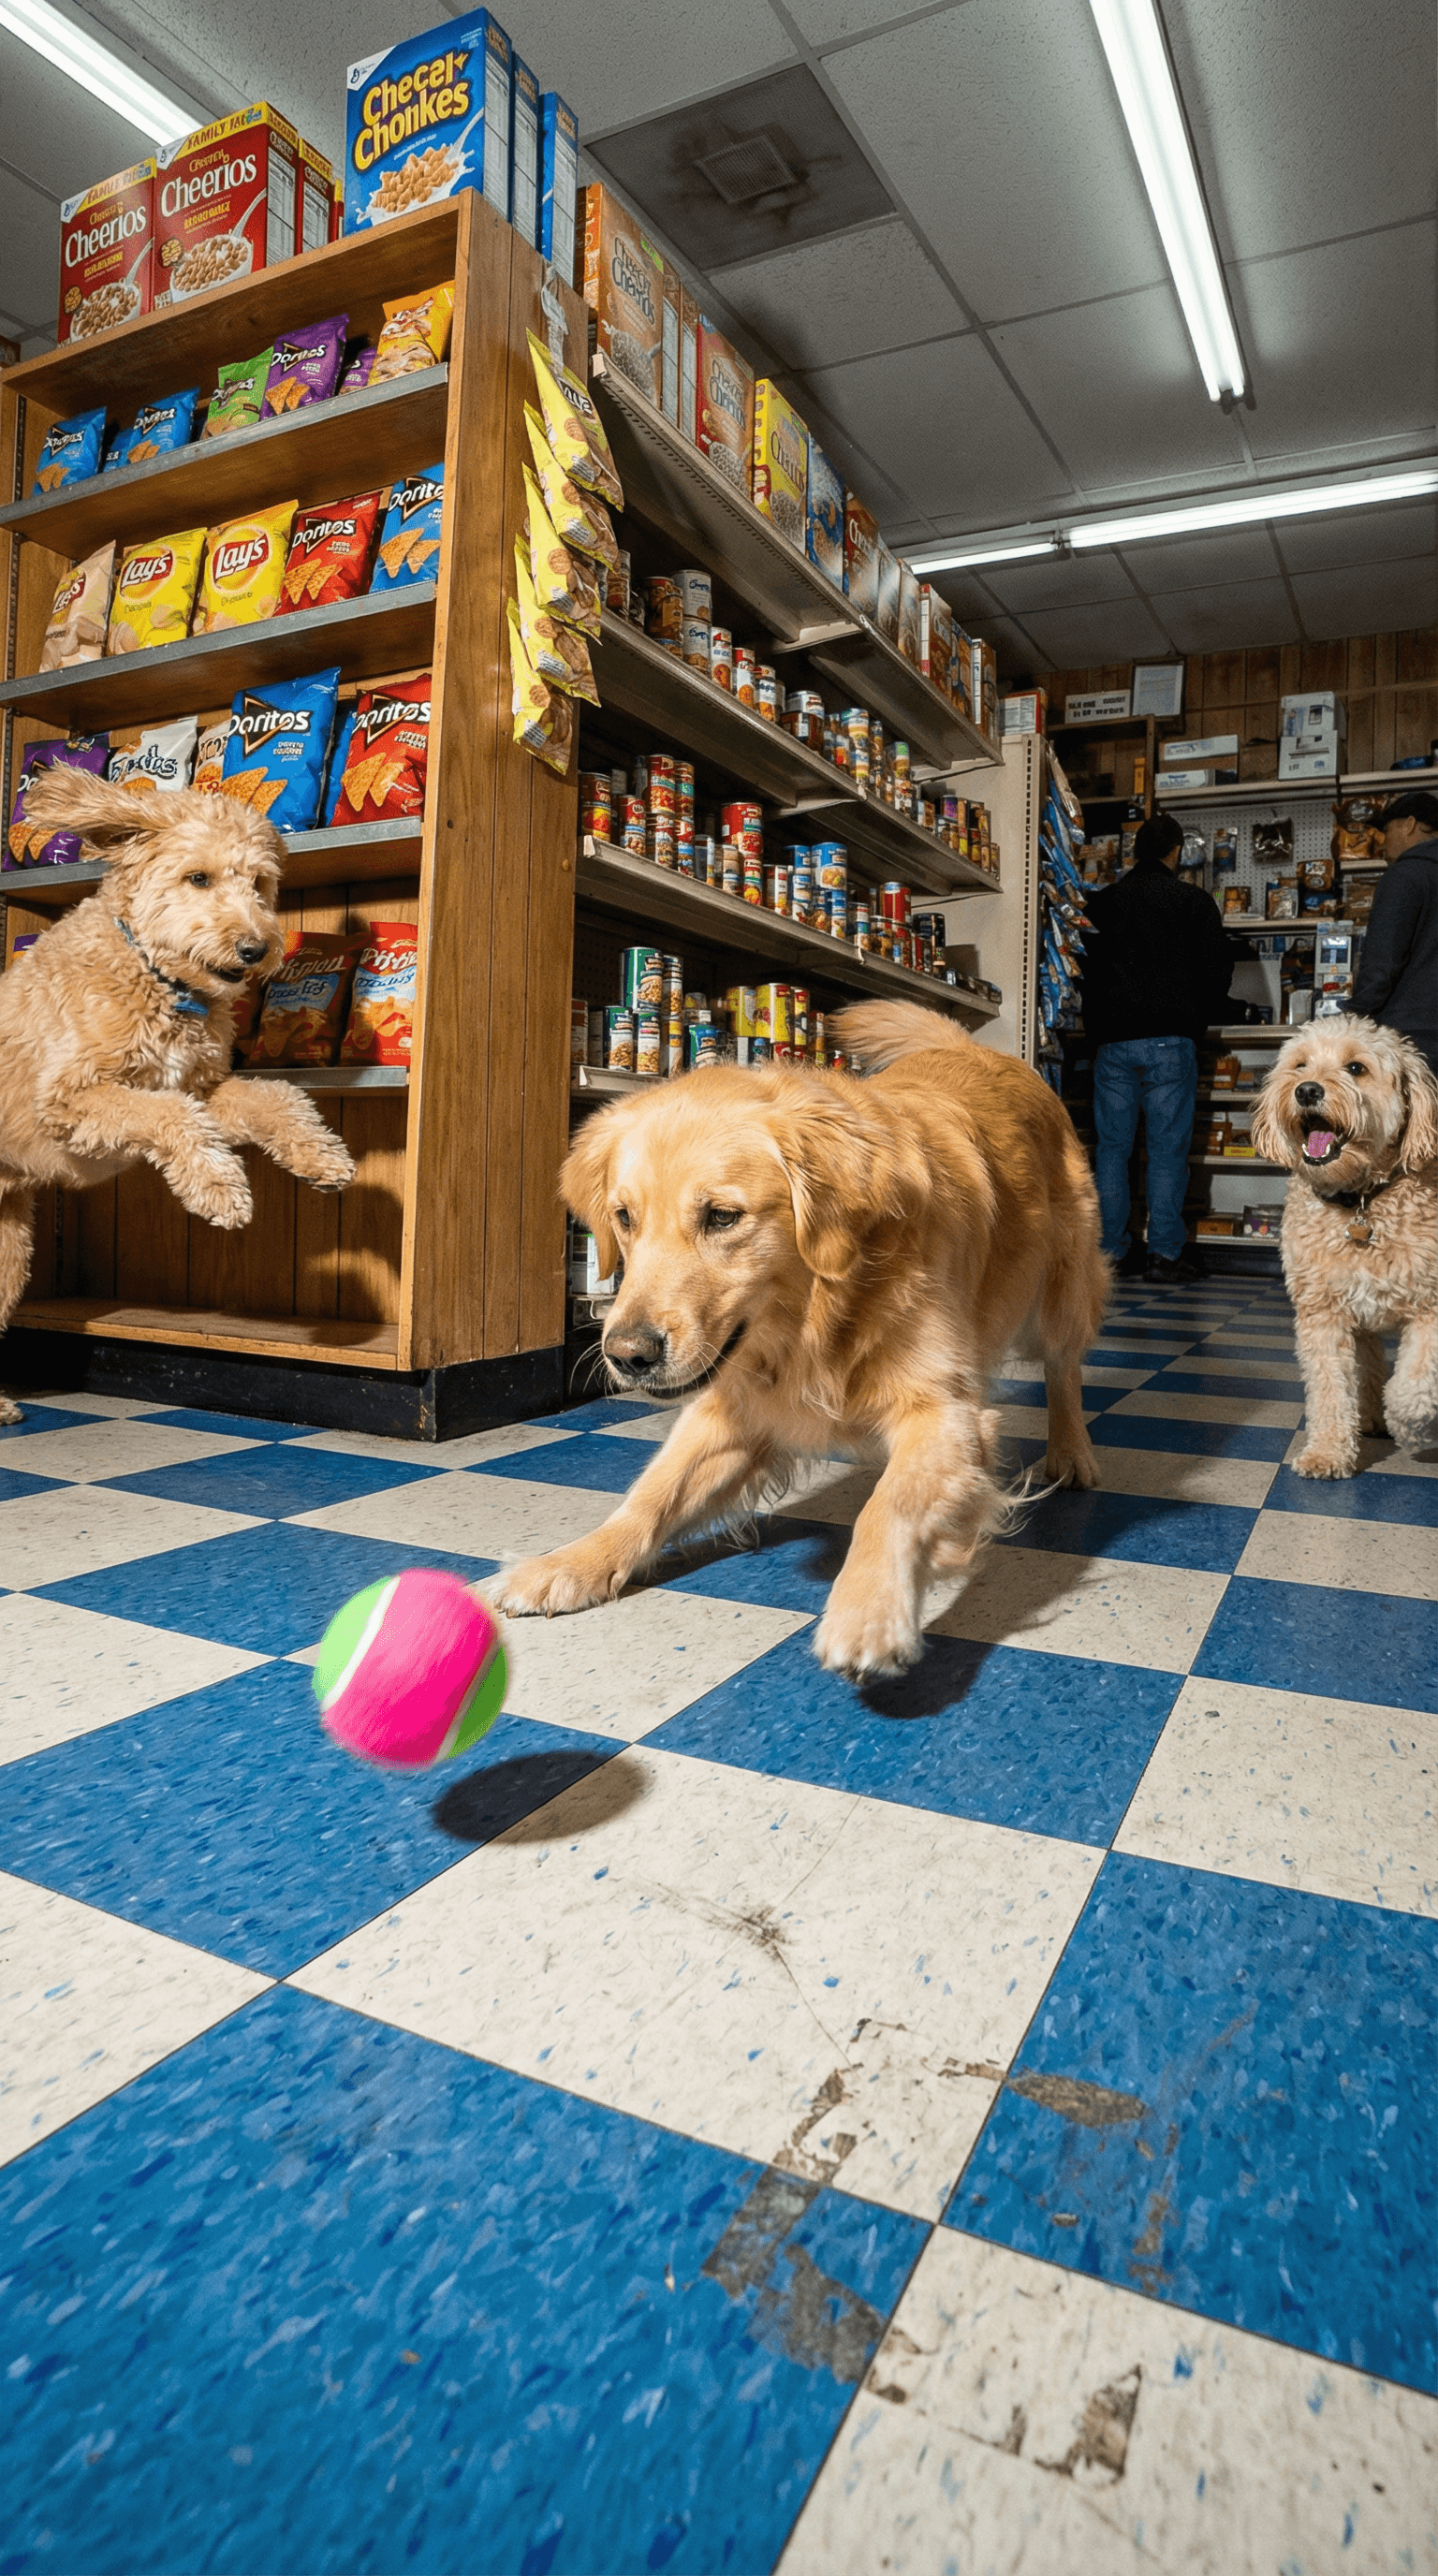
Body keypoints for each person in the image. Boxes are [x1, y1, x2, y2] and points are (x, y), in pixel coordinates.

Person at [1079, 812, 1233, 1284]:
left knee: (1112, 1150)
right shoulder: (1194, 902)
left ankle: (1111, 1253)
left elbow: (1083, 971)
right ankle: (1165, 1255)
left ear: (1134, 852)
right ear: (1177, 851)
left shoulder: (1100, 904)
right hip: (1170, 1040)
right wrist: (1192, 1019)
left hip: (1112, 1045)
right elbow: (1217, 975)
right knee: (1167, 1152)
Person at [1351, 787, 1438, 1075]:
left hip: (1415, 1039)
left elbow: (1381, 965)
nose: (1383, 843)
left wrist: (1353, 1017)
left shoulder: (1404, 875)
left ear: (1410, 824)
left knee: (1418, 1120)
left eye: (1387, 831)